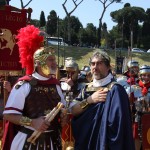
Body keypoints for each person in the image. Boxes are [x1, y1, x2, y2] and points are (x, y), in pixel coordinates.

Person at [3, 25, 66, 150]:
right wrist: (32, 122)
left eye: (54, 59)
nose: (54, 63)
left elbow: (63, 110)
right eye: (50, 60)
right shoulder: (24, 85)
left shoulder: (56, 85)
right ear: (38, 63)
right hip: (28, 142)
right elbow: (9, 115)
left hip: (53, 141)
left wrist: (64, 116)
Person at [70, 51, 135, 150]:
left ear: (108, 67)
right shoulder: (86, 89)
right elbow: (73, 110)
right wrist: (89, 100)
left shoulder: (115, 90)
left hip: (105, 144)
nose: (95, 67)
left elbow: (118, 126)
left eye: (99, 63)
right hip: (86, 143)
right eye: (93, 64)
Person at [134, 65, 150, 150]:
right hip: (138, 115)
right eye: (144, 75)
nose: (146, 77)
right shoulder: (135, 86)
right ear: (140, 76)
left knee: (148, 139)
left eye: (148, 75)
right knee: (137, 137)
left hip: (149, 117)